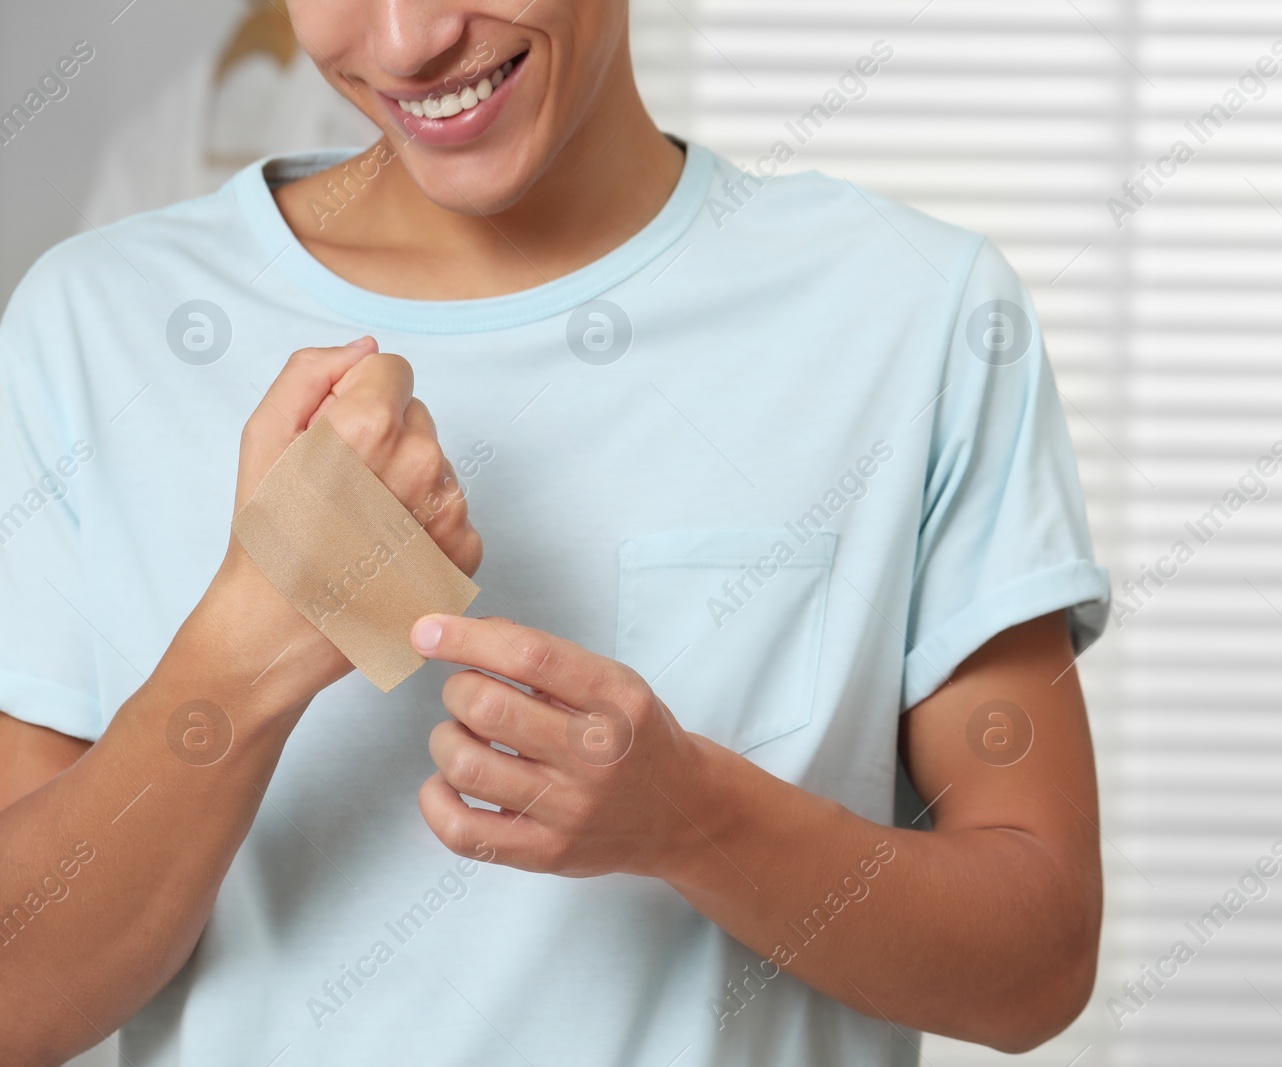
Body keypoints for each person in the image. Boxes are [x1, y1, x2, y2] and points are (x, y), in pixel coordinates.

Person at [0, 2, 1110, 1064]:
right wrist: (246, 651)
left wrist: (692, 816)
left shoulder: (913, 313)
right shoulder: (96, 325)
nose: (408, 39)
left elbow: (1036, 962)